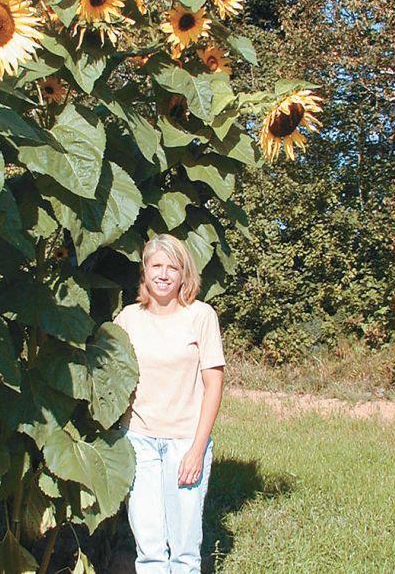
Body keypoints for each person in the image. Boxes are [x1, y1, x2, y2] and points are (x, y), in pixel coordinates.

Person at [113, 234, 225, 573]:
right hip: (138, 441)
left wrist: (197, 448)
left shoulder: (201, 316)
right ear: (145, 271)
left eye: (172, 267)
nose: (163, 274)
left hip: (184, 443)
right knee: (148, 548)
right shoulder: (128, 319)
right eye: (156, 266)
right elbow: (113, 378)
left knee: (185, 551)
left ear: (184, 274)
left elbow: (214, 384)